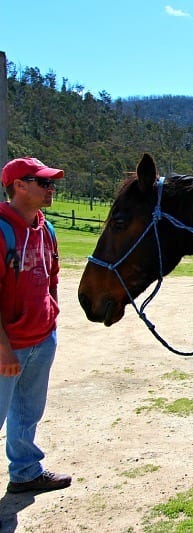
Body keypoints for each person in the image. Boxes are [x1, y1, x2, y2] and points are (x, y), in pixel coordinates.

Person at [0, 157, 71, 493]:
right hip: (8, 346)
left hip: (42, 338)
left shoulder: (47, 229)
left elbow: (52, 277)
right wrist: (4, 348)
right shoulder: (2, 230)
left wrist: (51, 317)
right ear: (19, 186)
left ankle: (26, 472)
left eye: (50, 183)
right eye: (42, 182)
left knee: (28, 412)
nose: (50, 188)